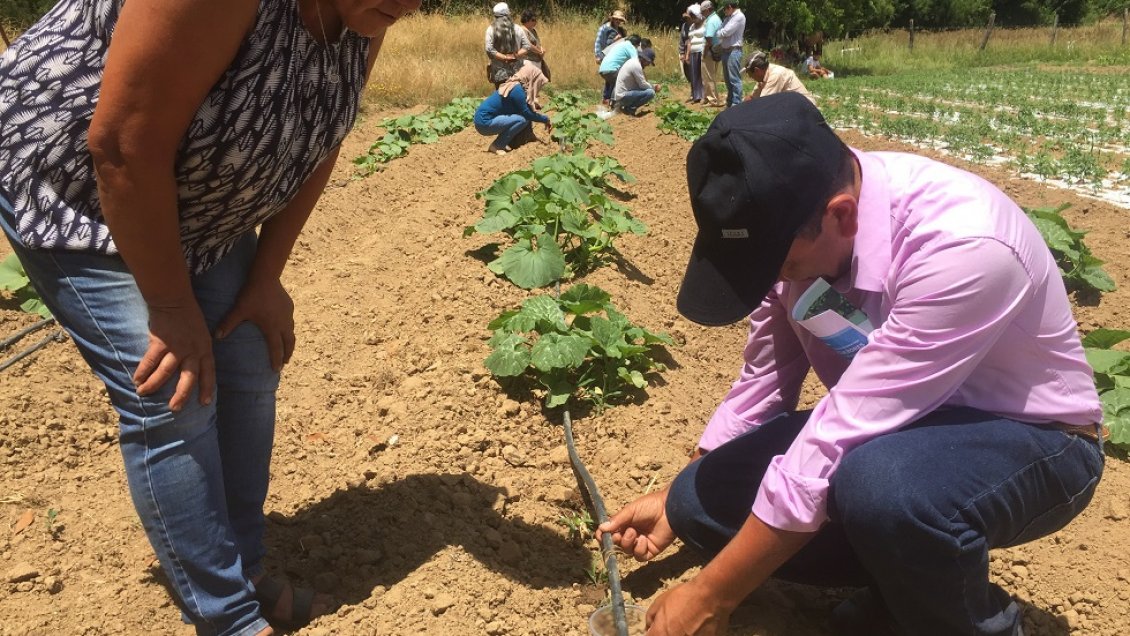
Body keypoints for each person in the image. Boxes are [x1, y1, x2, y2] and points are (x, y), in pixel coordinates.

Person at [599, 93, 1104, 636]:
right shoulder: (793, 232)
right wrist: (680, 493)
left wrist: (710, 595)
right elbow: (764, 381)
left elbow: (841, 434)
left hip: (1035, 441)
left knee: (883, 487)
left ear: (841, 215)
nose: (778, 279)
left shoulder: (964, 246)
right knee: (700, 502)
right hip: (894, 431)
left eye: (782, 265)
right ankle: (906, 584)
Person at [0, 0, 420, 634]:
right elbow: (121, 144)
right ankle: (229, 619)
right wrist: (170, 308)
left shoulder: (365, 14)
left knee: (248, 355)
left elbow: (323, 136)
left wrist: (265, 277)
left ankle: (243, 571)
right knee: (172, 390)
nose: (411, 4)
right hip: (78, 188)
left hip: (194, 206)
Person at [473, 64, 552, 154]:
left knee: (521, 118)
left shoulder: (516, 85)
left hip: (482, 119)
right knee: (522, 120)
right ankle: (497, 146)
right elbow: (527, 113)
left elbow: (523, 103)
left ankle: (505, 143)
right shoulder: (517, 89)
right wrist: (545, 119)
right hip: (484, 121)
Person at [744, 50, 815, 104]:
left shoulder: (776, 74)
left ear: (757, 70)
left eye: (749, 73)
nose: (750, 76)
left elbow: (763, 104)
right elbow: (753, 98)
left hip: (805, 106)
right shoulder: (763, 77)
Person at [485, 2, 529, 86]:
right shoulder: (518, 28)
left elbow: (489, 49)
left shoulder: (490, 29)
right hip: (518, 70)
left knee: (502, 95)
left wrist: (504, 57)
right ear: (509, 15)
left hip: (499, 72)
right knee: (518, 95)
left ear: (495, 17)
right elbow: (527, 46)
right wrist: (514, 56)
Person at [614, 47, 662, 116]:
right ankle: (630, 108)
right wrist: (654, 87)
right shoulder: (636, 65)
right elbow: (642, 85)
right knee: (650, 93)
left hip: (622, 94)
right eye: (648, 62)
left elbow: (642, 82)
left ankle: (627, 107)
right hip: (623, 96)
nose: (648, 65)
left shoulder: (634, 62)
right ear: (644, 59)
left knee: (648, 90)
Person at [715, 0, 746, 107]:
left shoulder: (739, 17)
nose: (724, 12)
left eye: (724, 9)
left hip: (734, 51)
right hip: (726, 51)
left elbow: (725, 32)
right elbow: (719, 30)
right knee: (727, 79)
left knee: (734, 79)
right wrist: (720, 32)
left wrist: (720, 33)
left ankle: (736, 103)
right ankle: (730, 101)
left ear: (729, 7)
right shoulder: (728, 18)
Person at [597, 34, 641, 109]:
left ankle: (607, 100)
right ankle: (615, 104)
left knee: (614, 81)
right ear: (637, 44)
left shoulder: (620, 44)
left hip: (602, 69)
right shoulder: (631, 47)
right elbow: (636, 63)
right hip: (611, 70)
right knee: (624, 81)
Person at [593, 9, 628, 104]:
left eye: (619, 20)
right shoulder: (605, 28)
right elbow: (598, 42)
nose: (617, 21)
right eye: (616, 19)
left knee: (611, 76)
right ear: (612, 19)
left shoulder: (620, 30)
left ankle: (608, 98)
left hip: (616, 56)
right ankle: (609, 98)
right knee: (612, 75)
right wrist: (597, 55)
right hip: (606, 55)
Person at [700, 1, 723, 106]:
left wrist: (704, 53)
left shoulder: (711, 21)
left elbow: (708, 39)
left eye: (703, 11)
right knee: (709, 75)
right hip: (717, 50)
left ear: (708, 10)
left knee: (708, 76)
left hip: (710, 51)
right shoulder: (717, 18)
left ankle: (713, 100)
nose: (702, 13)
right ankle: (707, 97)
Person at [684, 5, 706, 104]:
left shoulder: (705, 24)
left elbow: (707, 38)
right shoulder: (692, 26)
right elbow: (689, 41)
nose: (692, 19)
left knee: (701, 74)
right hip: (693, 51)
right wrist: (687, 54)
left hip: (701, 50)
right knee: (693, 74)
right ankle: (695, 95)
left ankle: (702, 95)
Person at [519, 8, 549, 81]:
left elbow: (537, 43)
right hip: (528, 61)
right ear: (526, 20)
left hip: (537, 61)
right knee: (528, 85)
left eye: (536, 20)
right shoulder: (522, 30)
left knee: (536, 85)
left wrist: (542, 49)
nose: (535, 22)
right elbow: (528, 45)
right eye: (533, 20)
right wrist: (539, 51)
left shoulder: (533, 30)